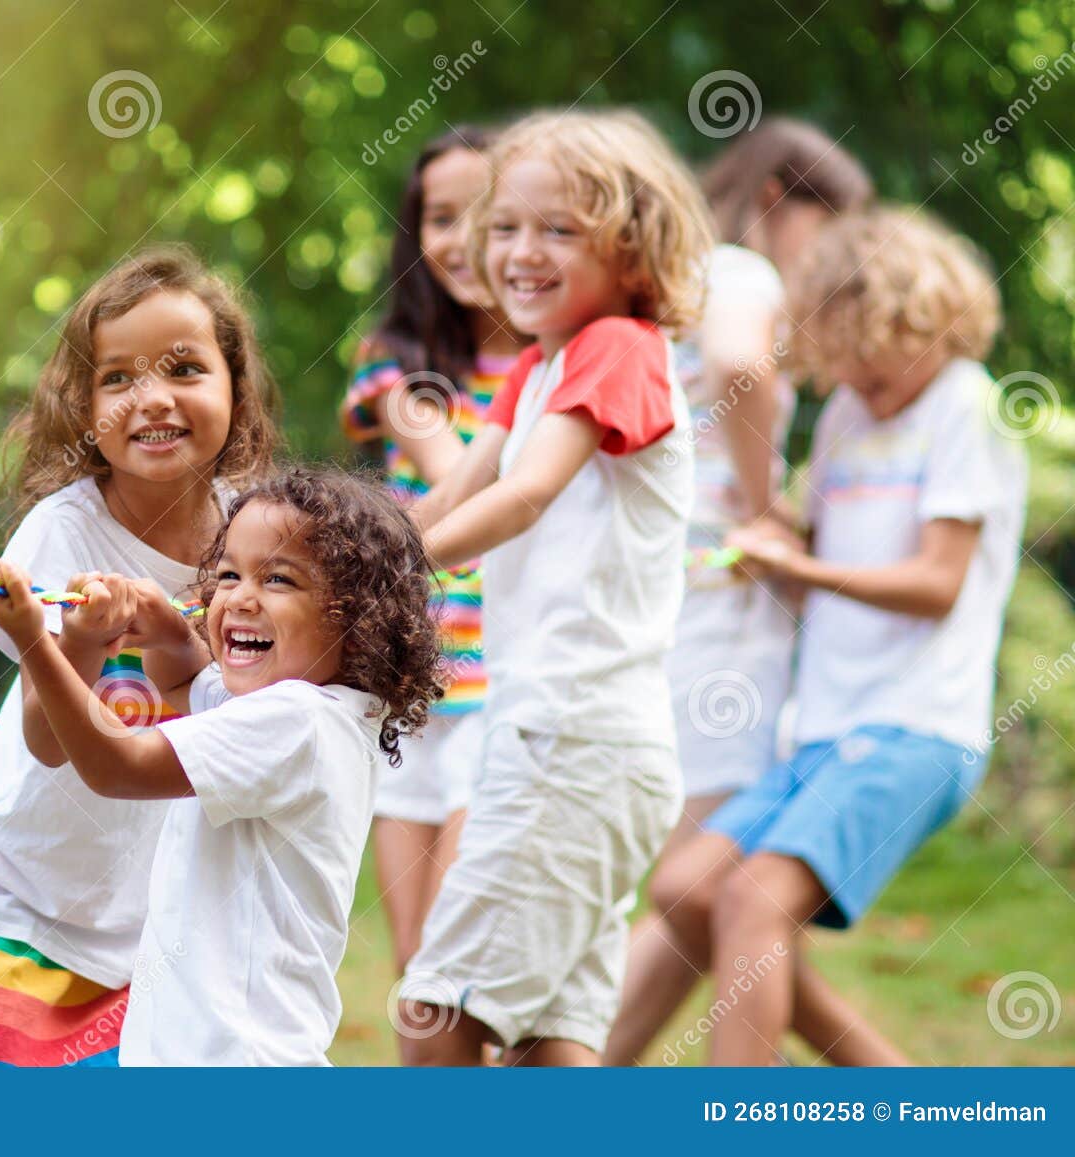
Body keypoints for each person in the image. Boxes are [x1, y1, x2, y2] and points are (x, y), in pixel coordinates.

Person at [0, 247, 277, 1066]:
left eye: (184, 368)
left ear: (236, 387)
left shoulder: (252, 531)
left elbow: (248, 703)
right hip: (11, 880)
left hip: (142, 901)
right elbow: (49, 741)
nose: (151, 397)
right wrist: (77, 640)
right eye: (117, 378)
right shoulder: (63, 531)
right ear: (84, 406)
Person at [651, 207, 1027, 1065]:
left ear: (927, 324)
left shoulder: (969, 407)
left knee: (753, 902)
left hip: (915, 724)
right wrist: (766, 544)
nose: (862, 391)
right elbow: (816, 542)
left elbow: (937, 584)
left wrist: (804, 571)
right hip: (825, 728)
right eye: (845, 373)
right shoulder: (849, 417)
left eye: (880, 374)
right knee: (686, 890)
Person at [394, 108, 712, 1065]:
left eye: (559, 230)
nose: (521, 252)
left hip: (573, 743)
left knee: (435, 1011)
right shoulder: (537, 363)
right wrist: (342, 562)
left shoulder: (619, 345)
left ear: (634, 251)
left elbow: (527, 494)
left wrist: (400, 574)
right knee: (550, 1038)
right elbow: (456, 488)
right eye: (505, 228)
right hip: (561, 742)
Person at [0, 469, 445, 1064]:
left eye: (278, 579)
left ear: (358, 617)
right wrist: (170, 632)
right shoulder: (308, 711)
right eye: (228, 575)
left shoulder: (295, 721)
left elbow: (114, 766)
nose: (241, 597)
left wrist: (36, 644)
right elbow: (187, 682)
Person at [607, 118, 900, 1066]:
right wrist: (770, 506)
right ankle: (895, 1089)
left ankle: (556, 1090)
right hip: (724, 605)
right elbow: (740, 365)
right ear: (781, 200)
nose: (829, 262)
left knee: (718, 888)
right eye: (830, 226)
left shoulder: (677, 281)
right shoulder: (744, 272)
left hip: (672, 597)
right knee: (723, 883)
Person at [339, 126, 527, 986]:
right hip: (407, 685)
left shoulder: (564, 365)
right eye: (438, 219)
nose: (457, 240)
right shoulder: (395, 367)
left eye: (481, 214)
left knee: (461, 955)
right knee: (418, 977)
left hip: (508, 692)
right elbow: (457, 475)